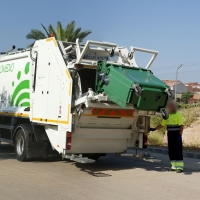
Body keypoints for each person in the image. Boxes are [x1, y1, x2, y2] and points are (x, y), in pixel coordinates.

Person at [150, 100, 184, 173]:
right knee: (171, 150)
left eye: (171, 106)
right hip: (170, 135)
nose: (170, 107)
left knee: (178, 150)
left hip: (177, 135)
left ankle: (180, 167)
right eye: (169, 106)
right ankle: (173, 166)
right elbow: (162, 124)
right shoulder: (167, 115)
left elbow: (181, 125)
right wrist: (154, 129)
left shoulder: (178, 114)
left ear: (174, 107)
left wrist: (180, 135)